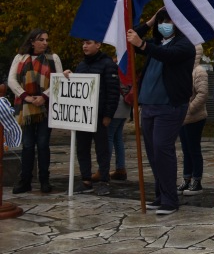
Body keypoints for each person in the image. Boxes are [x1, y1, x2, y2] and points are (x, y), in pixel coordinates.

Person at [127, 8, 195, 215]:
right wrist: (148, 22)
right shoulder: (156, 43)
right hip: (148, 105)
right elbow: (131, 36)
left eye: (170, 21)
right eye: (162, 21)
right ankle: (160, 195)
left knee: (162, 148)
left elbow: (168, 55)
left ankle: (170, 199)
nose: (165, 24)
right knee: (153, 152)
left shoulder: (185, 45)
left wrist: (144, 45)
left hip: (170, 106)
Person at [8, 28, 63, 194]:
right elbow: (11, 80)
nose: (45, 43)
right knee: (28, 145)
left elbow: (58, 80)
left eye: (47, 40)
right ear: (32, 41)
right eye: (41, 40)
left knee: (43, 144)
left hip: (45, 107)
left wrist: (43, 97)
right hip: (26, 108)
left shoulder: (53, 59)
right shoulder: (20, 58)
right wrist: (26, 96)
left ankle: (44, 181)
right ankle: (25, 180)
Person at [63, 40, 120, 196]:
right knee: (82, 148)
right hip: (83, 116)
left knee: (102, 149)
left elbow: (113, 92)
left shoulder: (108, 64)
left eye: (88, 43)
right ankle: (86, 180)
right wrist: (68, 76)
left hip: (100, 116)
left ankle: (103, 180)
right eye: (83, 43)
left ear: (98, 45)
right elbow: (76, 89)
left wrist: (108, 115)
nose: (84, 46)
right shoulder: (81, 65)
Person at [178, 45, 208, 196]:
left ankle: (197, 180)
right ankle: (186, 178)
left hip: (195, 117)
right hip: (182, 118)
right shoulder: (182, 69)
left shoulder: (199, 71)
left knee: (194, 149)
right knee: (185, 150)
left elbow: (202, 94)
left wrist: (188, 109)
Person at [106, 82, 131, 181]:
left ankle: (104, 169)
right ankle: (120, 168)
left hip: (116, 105)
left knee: (109, 136)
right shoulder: (124, 70)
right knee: (117, 138)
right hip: (125, 105)